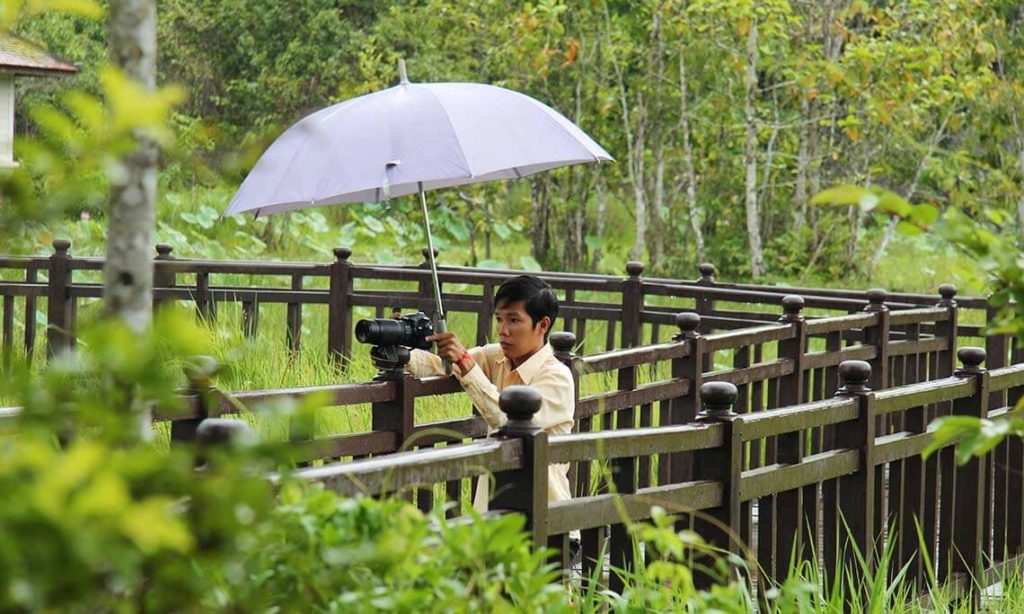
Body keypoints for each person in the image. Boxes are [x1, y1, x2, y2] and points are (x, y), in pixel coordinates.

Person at [406, 275, 578, 553]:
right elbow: (442, 366)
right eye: (499, 319)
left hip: (546, 523)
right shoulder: (495, 356)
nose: (503, 330)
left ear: (542, 325)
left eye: (514, 320)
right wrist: (401, 354)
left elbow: (509, 422)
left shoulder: (557, 377)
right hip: (494, 520)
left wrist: (465, 363)